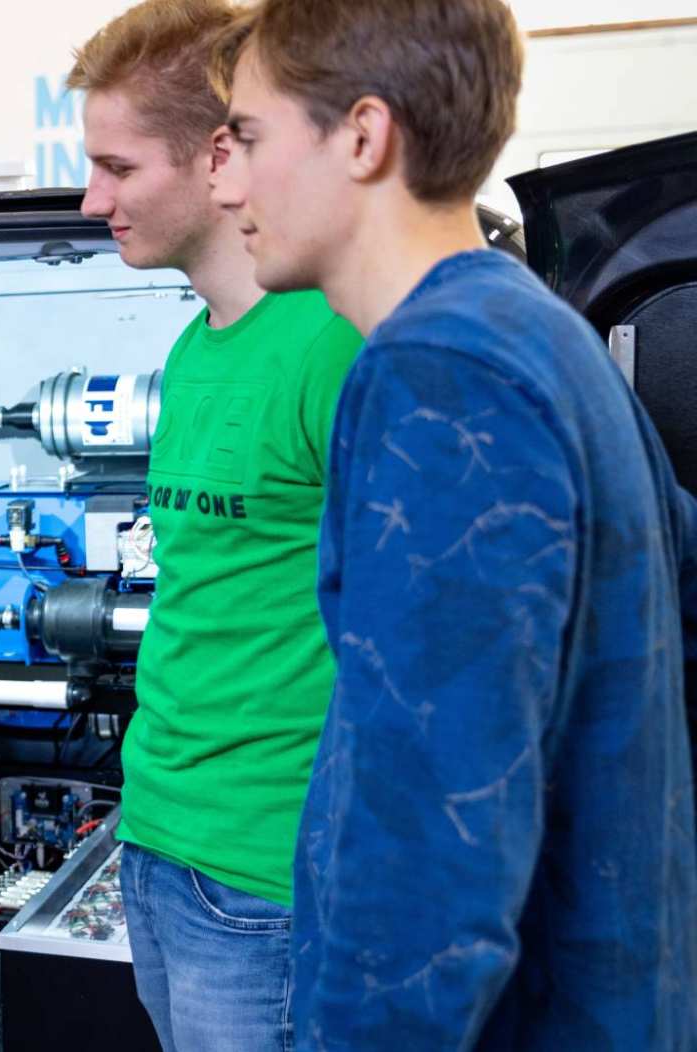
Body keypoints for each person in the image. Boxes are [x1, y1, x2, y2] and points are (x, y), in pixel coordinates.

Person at [209, 1, 697, 1046]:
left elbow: (427, 857)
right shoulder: (542, 337)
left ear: (361, 136)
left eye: (245, 137)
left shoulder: (439, 378)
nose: (226, 182)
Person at [69, 2, 363, 1046]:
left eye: (117, 167)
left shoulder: (335, 340)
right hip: (156, 839)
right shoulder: (197, 349)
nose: (90, 197)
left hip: (271, 871)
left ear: (215, 154)